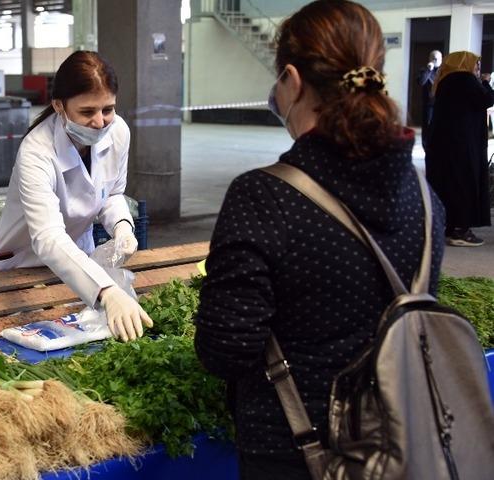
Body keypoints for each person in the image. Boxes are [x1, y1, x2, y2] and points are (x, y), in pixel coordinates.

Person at [192, 1, 445, 478]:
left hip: (296, 451)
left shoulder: (265, 197)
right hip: (401, 438)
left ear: (291, 79)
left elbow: (225, 348)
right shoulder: (425, 196)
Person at [0, 51, 152, 342]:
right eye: (87, 112)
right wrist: (107, 292)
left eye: (107, 109)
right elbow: (47, 237)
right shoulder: (36, 151)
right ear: (59, 105)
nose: (100, 122)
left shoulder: (118, 131)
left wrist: (122, 227)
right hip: (19, 269)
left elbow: (111, 192)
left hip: (76, 264)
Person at [425, 51, 494, 247]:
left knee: (449, 184)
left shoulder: (446, 80)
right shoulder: (464, 79)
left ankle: (450, 227)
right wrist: (487, 83)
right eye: (476, 65)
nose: (478, 69)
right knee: (463, 183)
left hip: (446, 144)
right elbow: (486, 100)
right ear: (464, 63)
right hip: (461, 145)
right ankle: (460, 230)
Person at [417, 49, 441, 149]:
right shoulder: (424, 70)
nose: (435, 60)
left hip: (440, 103)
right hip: (428, 105)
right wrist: (428, 70)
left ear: (441, 60)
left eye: (437, 58)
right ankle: (426, 147)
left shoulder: (443, 71)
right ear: (429, 59)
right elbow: (421, 82)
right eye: (433, 58)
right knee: (427, 126)